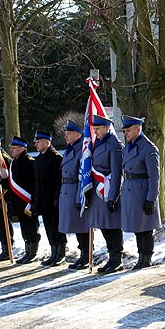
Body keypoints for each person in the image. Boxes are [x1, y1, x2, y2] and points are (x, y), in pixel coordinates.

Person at [120, 115, 162, 270]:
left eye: (128, 130)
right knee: (138, 228)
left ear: (138, 129)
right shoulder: (128, 147)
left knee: (145, 228)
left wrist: (151, 199)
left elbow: (154, 177)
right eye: (124, 131)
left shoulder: (149, 148)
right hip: (131, 190)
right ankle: (141, 256)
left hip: (143, 190)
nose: (126, 134)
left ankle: (146, 257)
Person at [88, 115, 124, 274]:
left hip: (108, 190)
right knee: (103, 225)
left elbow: (117, 173)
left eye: (98, 129)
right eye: (94, 129)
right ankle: (111, 257)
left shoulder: (113, 144)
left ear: (107, 128)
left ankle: (117, 259)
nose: (95, 132)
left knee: (113, 226)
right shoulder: (97, 143)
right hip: (98, 191)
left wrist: (113, 196)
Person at [58, 120, 93, 270]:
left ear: (78, 134)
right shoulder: (69, 149)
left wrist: (80, 195)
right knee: (76, 226)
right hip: (67, 189)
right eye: (65, 134)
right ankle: (83, 254)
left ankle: (87, 254)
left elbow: (82, 174)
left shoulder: (82, 150)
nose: (66, 136)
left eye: (69, 134)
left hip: (75, 189)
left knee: (82, 225)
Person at [1, 136, 41, 264]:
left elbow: (34, 183)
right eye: (11, 148)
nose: (11, 150)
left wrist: (33, 200)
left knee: (32, 228)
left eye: (14, 148)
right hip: (17, 202)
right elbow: (11, 183)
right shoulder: (14, 162)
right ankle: (27, 251)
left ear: (22, 148)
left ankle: (33, 252)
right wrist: (2, 182)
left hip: (28, 201)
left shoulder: (30, 162)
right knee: (25, 228)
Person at [32, 130, 67, 266]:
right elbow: (36, 182)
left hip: (53, 199)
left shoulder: (55, 158)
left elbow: (58, 180)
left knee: (57, 226)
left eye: (38, 142)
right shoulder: (39, 159)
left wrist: (56, 198)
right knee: (48, 227)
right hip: (43, 200)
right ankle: (54, 252)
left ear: (47, 142)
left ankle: (61, 252)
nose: (36, 144)